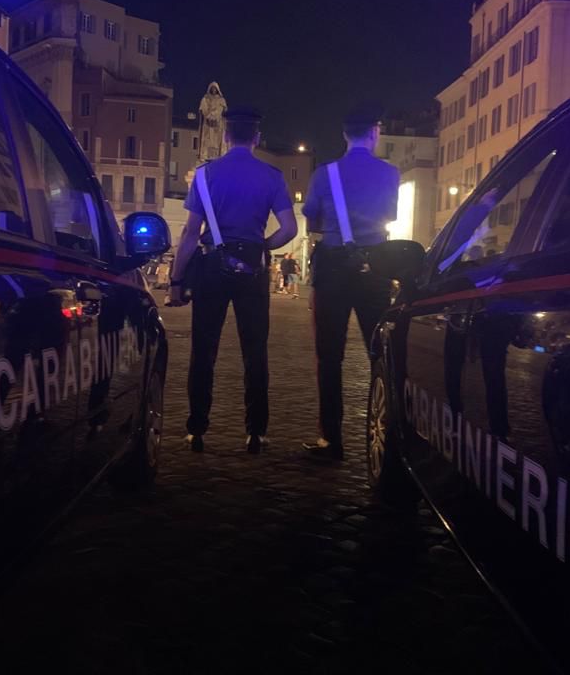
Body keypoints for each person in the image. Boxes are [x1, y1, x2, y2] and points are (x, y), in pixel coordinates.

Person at [169, 107, 298, 454]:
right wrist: (262, 246)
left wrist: (176, 279)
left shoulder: (205, 176)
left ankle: (197, 429)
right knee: (255, 351)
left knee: (203, 350)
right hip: (252, 268)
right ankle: (256, 432)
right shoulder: (271, 176)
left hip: (212, 266)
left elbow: (189, 233)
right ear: (257, 138)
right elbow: (289, 229)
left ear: (226, 136)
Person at [302, 104, 399, 461]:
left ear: (344, 134)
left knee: (329, 356)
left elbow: (312, 218)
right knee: (381, 353)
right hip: (376, 264)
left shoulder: (324, 174)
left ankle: (331, 439)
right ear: (375, 133)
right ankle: (388, 435)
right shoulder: (390, 173)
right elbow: (390, 214)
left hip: (332, 263)